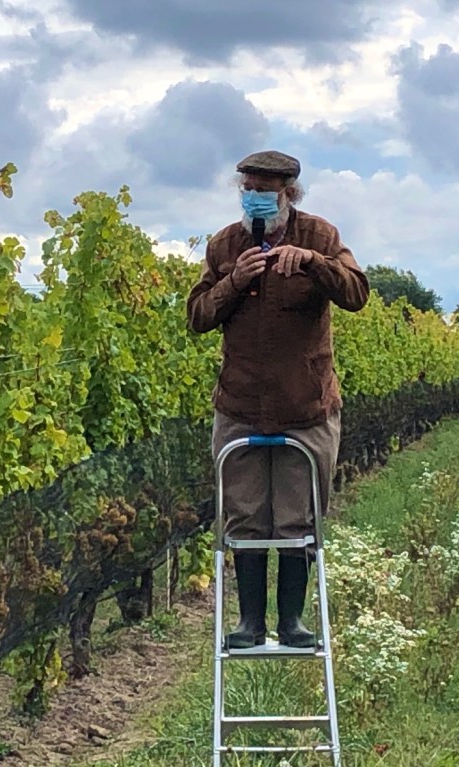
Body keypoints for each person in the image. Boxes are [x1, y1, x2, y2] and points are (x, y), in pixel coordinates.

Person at [186, 150, 369, 648]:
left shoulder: (320, 237)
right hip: (241, 405)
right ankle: (249, 623)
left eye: (265, 191)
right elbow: (198, 316)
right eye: (247, 189)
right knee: (244, 515)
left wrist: (314, 264)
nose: (254, 199)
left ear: (290, 194)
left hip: (304, 407)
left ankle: (291, 622)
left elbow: (356, 292)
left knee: (297, 517)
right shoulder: (225, 244)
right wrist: (234, 280)